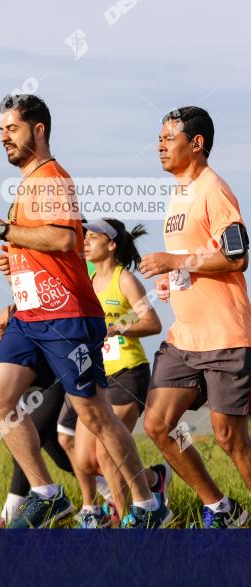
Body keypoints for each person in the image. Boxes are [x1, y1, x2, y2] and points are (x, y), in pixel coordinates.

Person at [0, 93, 170, 528]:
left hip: (66, 316)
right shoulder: (27, 183)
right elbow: (44, 247)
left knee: (94, 414)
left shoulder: (51, 179)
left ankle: (145, 502)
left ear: (38, 130)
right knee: (0, 396)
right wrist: (15, 257)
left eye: (12, 129)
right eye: (1, 131)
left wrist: (5, 230)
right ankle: (46, 493)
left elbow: (66, 240)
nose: (3, 138)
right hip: (29, 315)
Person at [140, 106, 251, 528]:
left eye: (169, 138)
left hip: (225, 335)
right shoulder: (178, 194)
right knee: (158, 425)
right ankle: (221, 510)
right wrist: (174, 274)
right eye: (160, 138)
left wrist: (175, 258)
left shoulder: (213, 189)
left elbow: (237, 256)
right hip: (184, 339)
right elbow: (196, 259)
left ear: (196, 143)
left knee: (230, 439)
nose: (160, 145)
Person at [64, 218, 171, 527]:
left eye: (92, 237)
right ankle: (154, 478)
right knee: (86, 459)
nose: (85, 241)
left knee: (106, 451)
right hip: (97, 374)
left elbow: (153, 323)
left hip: (128, 372)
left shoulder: (125, 280)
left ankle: (126, 522)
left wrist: (116, 328)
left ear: (111, 244)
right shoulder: (88, 277)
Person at [0, 305, 75, 529]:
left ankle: (7, 519)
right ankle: (116, 490)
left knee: (25, 448)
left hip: (54, 383)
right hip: (29, 391)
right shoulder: (10, 310)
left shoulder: (51, 302)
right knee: (63, 456)